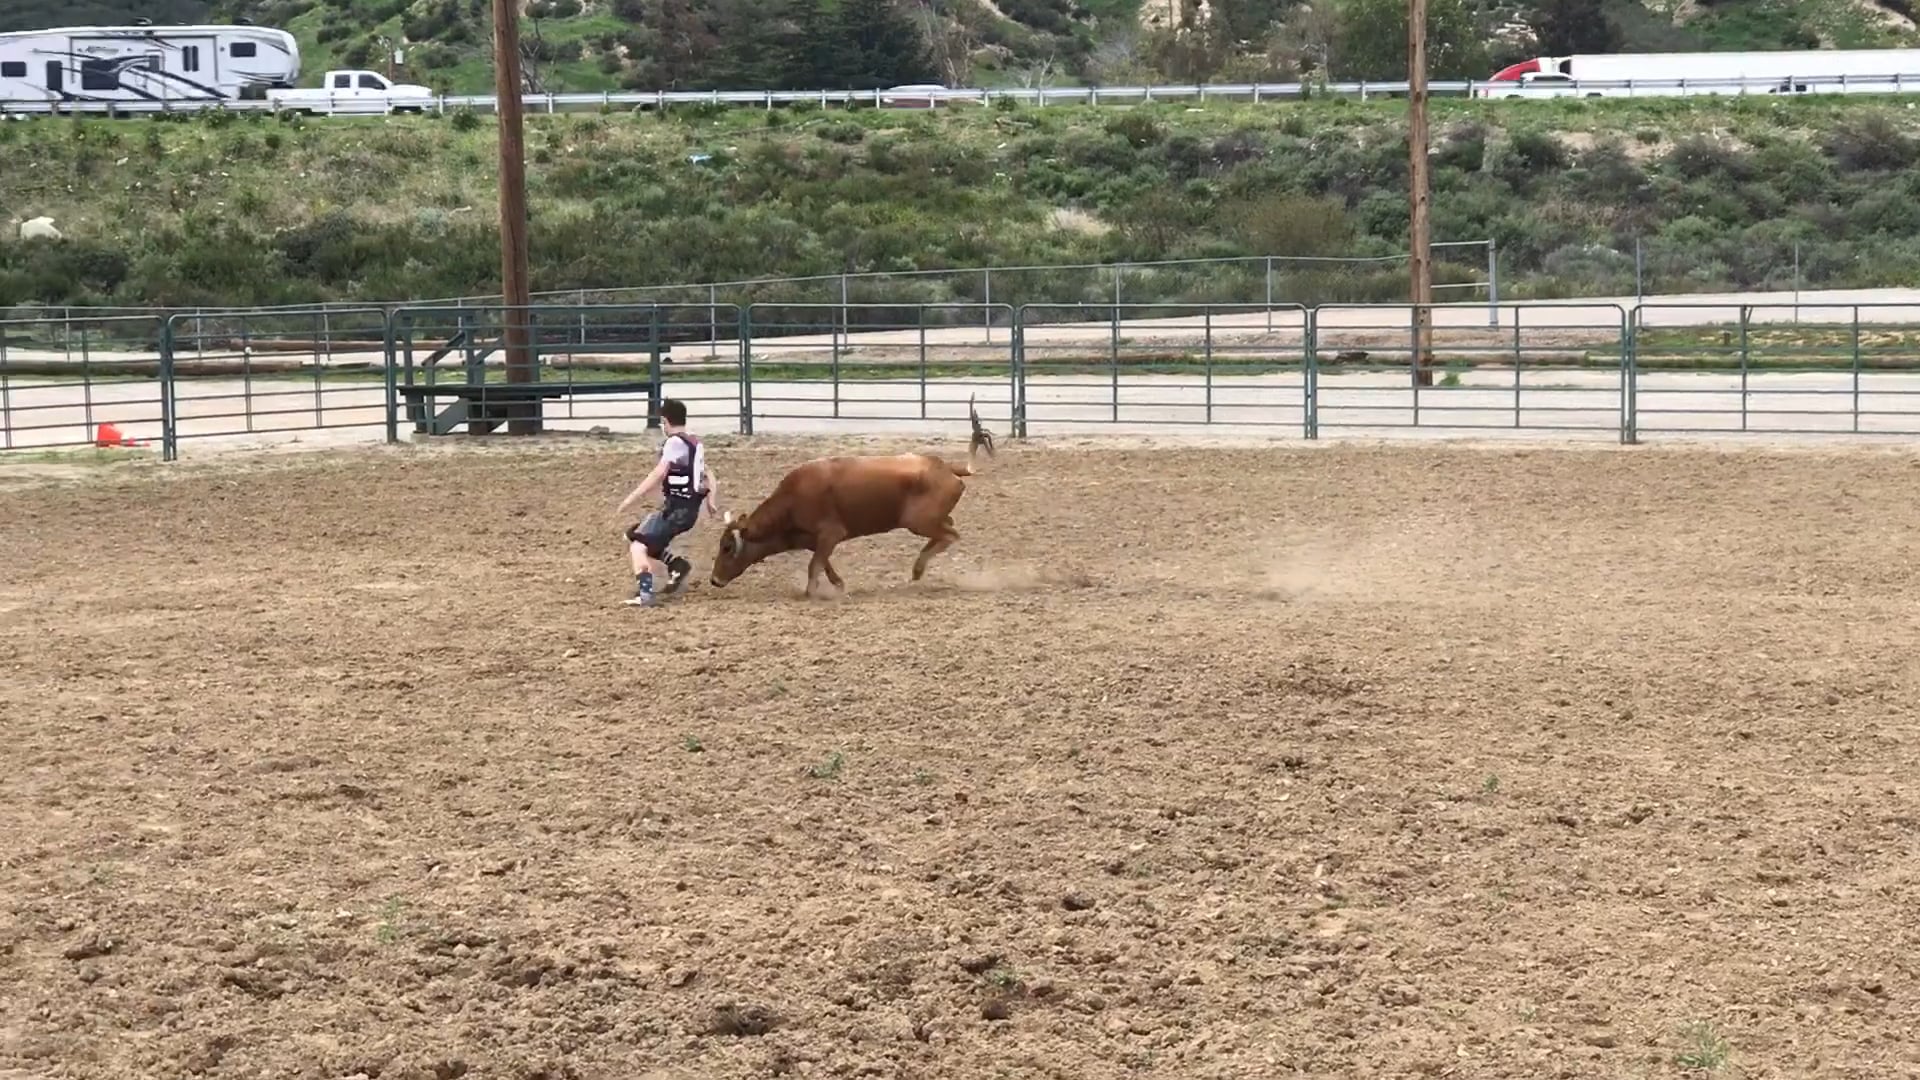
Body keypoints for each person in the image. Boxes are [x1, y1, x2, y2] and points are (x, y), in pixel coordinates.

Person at [615, 399, 719, 607]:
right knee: (637, 534)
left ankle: (645, 594)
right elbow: (709, 474)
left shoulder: (674, 443)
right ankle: (677, 565)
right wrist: (711, 500)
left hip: (676, 510)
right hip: (687, 511)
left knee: (637, 545)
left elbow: (658, 473)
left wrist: (630, 499)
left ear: (665, 421)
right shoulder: (694, 443)